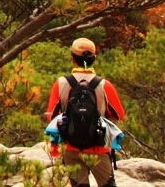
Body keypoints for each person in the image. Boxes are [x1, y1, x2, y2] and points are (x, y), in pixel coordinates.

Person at [45, 38, 126, 187]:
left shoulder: (61, 83)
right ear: (94, 58)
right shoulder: (104, 85)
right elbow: (119, 115)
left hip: (71, 148)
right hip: (98, 147)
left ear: (72, 58)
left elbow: (51, 116)